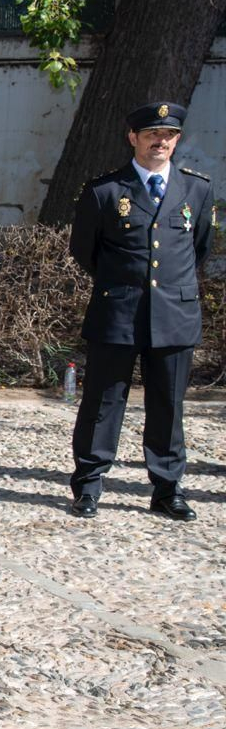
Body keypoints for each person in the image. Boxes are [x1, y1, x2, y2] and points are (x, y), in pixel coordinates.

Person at [68, 100, 214, 520]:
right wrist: (122, 284)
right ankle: (89, 485)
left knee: (168, 405)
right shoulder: (105, 190)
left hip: (174, 313)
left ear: (177, 140)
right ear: (133, 137)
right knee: (102, 402)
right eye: (151, 134)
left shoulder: (197, 189)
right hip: (119, 311)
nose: (160, 142)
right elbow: (84, 251)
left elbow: (197, 247)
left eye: (168, 135)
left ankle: (168, 489)